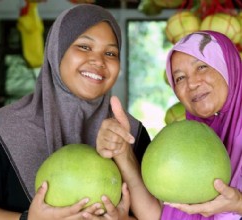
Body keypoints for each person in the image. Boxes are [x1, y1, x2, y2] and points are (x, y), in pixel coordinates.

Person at [0, 4, 151, 220]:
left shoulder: (129, 133)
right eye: (84, 47)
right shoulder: (3, 129)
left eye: (110, 53)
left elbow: (169, 215)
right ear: (56, 51)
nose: (99, 61)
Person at [96, 30, 242, 220]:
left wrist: (239, 204)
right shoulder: (190, 141)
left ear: (228, 66)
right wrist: (123, 153)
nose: (192, 83)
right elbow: (163, 215)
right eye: (180, 77)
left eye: (202, 67)